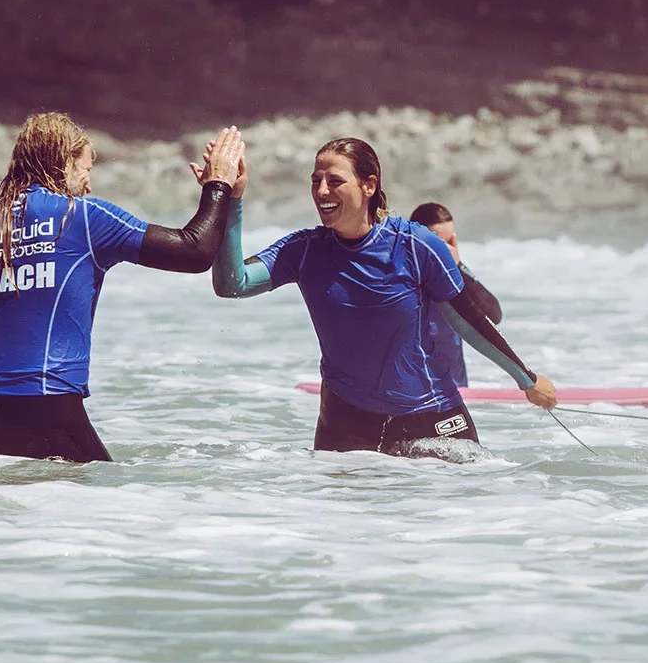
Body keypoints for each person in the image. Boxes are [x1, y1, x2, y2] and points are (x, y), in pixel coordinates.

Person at [0, 114, 244, 462]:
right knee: (115, 501)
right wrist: (219, 185)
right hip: (47, 408)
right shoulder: (83, 218)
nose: (89, 185)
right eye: (86, 169)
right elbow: (194, 252)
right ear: (63, 163)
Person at [207, 136, 556, 457]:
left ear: (369, 185)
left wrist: (526, 379)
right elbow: (233, 284)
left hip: (430, 415)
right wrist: (230, 200)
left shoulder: (415, 245)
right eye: (315, 181)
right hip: (345, 422)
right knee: (342, 508)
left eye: (335, 181)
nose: (322, 191)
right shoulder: (304, 250)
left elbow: (467, 320)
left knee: (464, 503)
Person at [408, 201, 501, 388]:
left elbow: (493, 315)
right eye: (439, 244)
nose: (446, 251)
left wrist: (457, 267)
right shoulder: (399, 276)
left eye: (450, 243)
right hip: (410, 391)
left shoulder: (455, 277)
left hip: (454, 390)